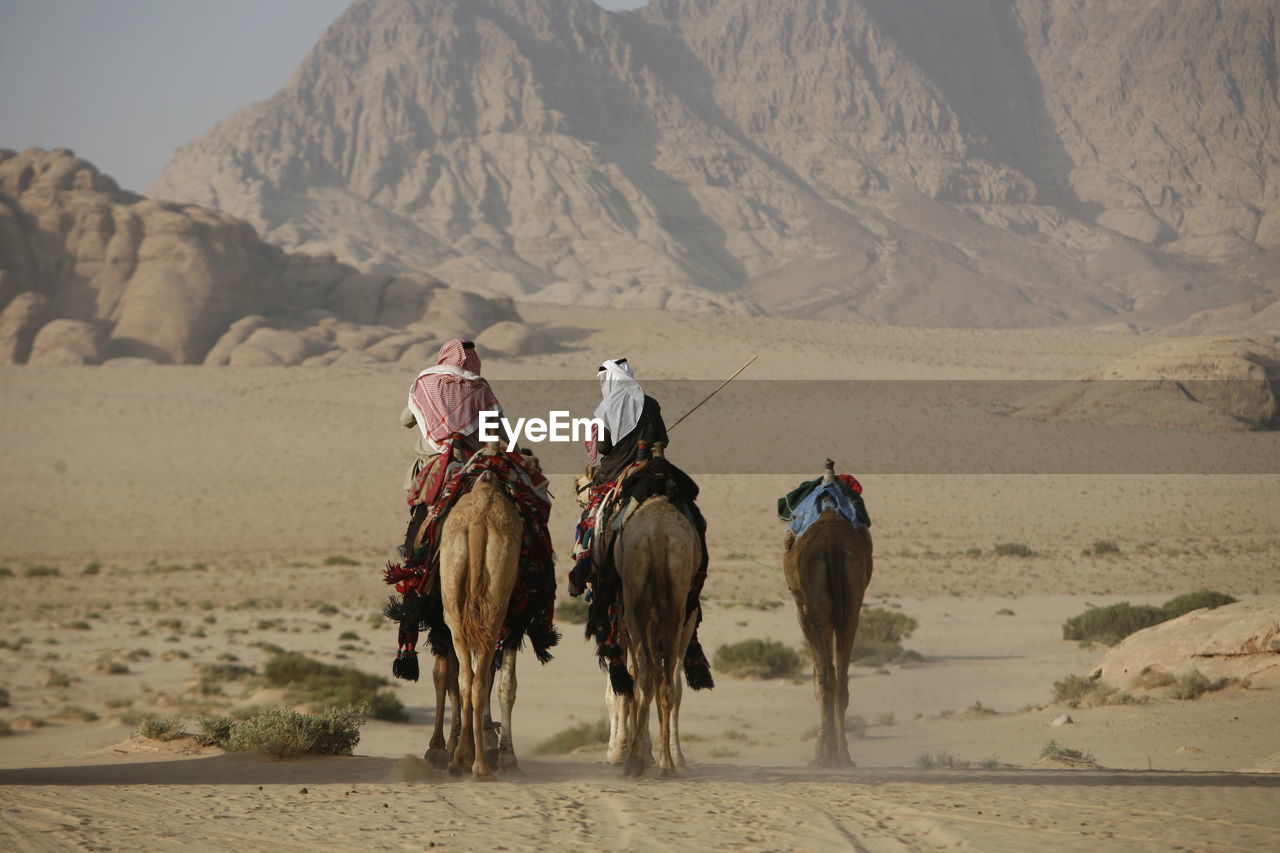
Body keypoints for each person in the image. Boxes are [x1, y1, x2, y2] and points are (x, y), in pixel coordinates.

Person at [400, 338, 504, 556]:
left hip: (435, 457)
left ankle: (412, 549)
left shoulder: (427, 383)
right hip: (474, 460)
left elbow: (405, 420)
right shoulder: (480, 388)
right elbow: (500, 430)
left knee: (424, 496)